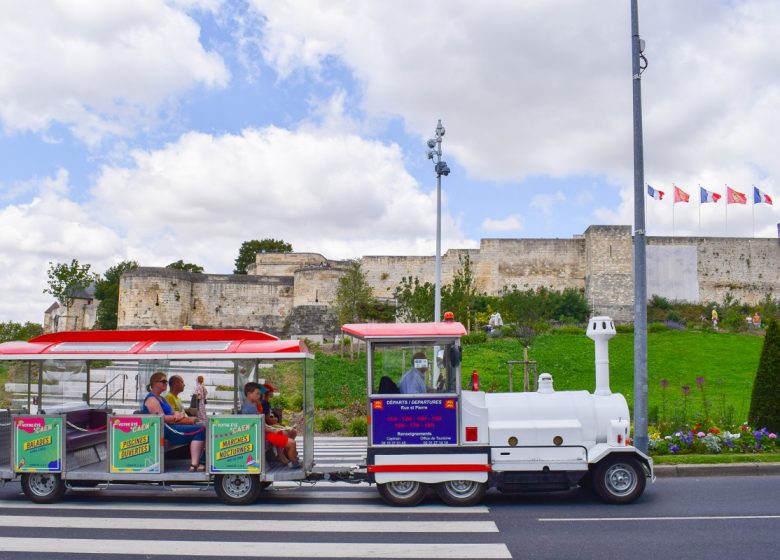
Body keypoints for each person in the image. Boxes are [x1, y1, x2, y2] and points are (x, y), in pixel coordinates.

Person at [142, 371, 205, 472]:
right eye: (163, 381)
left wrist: (176, 414)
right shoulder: (151, 400)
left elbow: (172, 411)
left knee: (202, 428)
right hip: (165, 430)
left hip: (170, 426)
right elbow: (161, 418)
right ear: (154, 383)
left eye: (166, 382)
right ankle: (195, 464)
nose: (166, 384)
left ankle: (197, 463)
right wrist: (176, 417)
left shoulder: (161, 398)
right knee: (201, 429)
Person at [241, 382, 299, 467]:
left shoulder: (251, 405)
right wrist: (273, 430)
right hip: (263, 435)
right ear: (249, 394)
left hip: (263, 433)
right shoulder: (249, 408)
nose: (259, 396)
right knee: (292, 443)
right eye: (257, 394)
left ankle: (287, 458)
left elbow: (261, 423)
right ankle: (294, 464)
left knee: (286, 435)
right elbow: (260, 425)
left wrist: (273, 429)